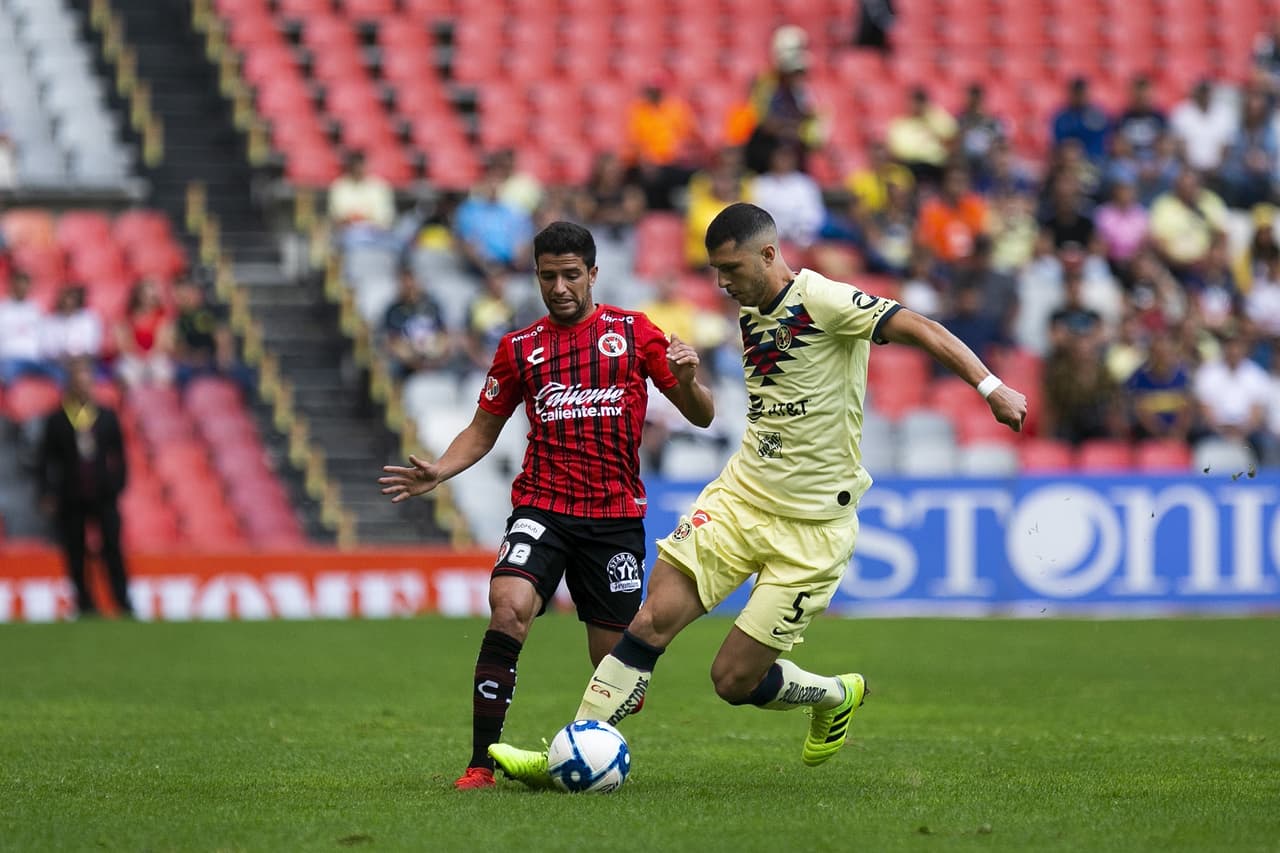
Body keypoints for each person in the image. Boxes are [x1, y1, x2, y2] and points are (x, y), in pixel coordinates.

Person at [488, 203, 1026, 785]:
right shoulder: (750, 310)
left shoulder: (826, 302)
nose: (722, 282)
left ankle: (831, 695)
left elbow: (920, 325)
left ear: (769, 255)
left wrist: (990, 387)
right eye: (716, 270)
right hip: (741, 498)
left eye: (731, 269)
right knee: (649, 623)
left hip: (814, 528)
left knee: (733, 681)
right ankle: (567, 758)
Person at [377, 222, 715, 790]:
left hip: (613, 519)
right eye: (547, 276)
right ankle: (481, 764)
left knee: (623, 686)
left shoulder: (634, 333)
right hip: (544, 506)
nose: (558, 287)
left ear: (593, 274)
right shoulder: (519, 348)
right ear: (535, 276)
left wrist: (686, 382)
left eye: (570, 275)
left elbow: (701, 415)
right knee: (507, 606)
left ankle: (580, 753)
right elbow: (483, 430)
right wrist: (440, 468)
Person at [37, 357, 133, 618]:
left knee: (112, 548)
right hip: (72, 495)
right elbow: (46, 460)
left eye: (88, 379)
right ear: (71, 385)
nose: (85, 385)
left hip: (103, 494)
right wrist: (47, 492)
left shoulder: (105, 416)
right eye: (79, 380)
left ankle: (122, 602)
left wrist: (118, 483)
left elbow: (120, 454)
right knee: (76, 551)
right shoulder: (57, 420)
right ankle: (85, 604)